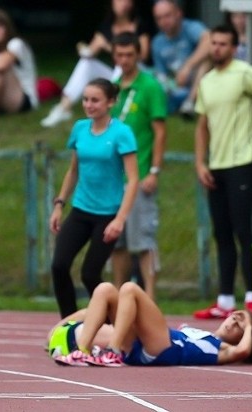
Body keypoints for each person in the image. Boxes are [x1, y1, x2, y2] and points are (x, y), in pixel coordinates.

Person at [193, 25, 252, 321]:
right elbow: (202, 125)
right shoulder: (206, 81)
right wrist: (200, 163)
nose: (217, 48)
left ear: (233, 47)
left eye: (223, 44)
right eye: (214, 43)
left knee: (242, 230)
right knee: (221, 233)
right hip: (216, 166)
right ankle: (224, 299)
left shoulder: (245, 73)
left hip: (242, 162)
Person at [50, 78, 139, 319]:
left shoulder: (122, 133)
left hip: (108, 214)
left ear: (111, 102)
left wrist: (119, 220)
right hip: (81, 210)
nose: (89, 105)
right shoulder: (80, 129)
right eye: (86, 99)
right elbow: (74, 170)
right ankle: (68, 324)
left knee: (90, 274)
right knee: (59, 266)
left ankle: (113, 322)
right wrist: (59, 205)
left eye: (95, 100)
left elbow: (132, 180)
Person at [53, 282, 252, 367]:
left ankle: (113, 352)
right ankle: (82, 352)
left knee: (130, 289)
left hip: (165, 349)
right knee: (105, 289)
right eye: (235, 317)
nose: (233, 323)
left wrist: (249, 326)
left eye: (239, 326)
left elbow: (243, 351)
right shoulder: (201, 333)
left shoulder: (224, 349)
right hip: (139, 347)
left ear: (242, 335)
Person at [108, 32, 167, 301]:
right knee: (117, 242)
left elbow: (159, 131)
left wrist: (154, 170)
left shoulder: (150, 86)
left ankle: (151, 298)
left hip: (140, 174)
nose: (124, 60)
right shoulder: (113, 85)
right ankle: (119, 299)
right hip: (113, 179)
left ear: (138, 55)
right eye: (119, 55)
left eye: (129, 55)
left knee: (143, 240)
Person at [40, 0, 154, 128]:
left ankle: (115, 108)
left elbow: (143, 55)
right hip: (116, 75)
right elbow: (90, 52)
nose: (122, 3)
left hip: (137, 72)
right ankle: (64, 107)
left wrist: (109, 47)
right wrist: (86, 49)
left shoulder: (139, 25)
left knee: (120, 64)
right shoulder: (107, 26)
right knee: (86, 62)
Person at [150, 0, 211, 116]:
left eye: (167, 16)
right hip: (175, 86)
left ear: (178, 13)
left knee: (207, 61)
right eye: (159, 18)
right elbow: (161, 73)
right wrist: (169, 83)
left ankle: (190, 103)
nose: (163, 22)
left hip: (198, 82)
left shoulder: (190, 27)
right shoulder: (157, 42)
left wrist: (188, 66)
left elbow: (209, 40)